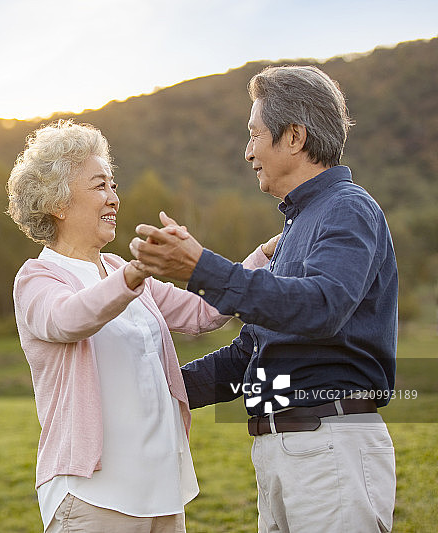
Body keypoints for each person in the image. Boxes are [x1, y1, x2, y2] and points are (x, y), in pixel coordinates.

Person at [129, 65, 398, 533]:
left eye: (254, 135)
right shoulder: (295, 228)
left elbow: (322, 307)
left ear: (293, 136)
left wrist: (201, 270)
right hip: (282, 451)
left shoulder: (348, 209)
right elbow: (252, 352)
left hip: (329, 445)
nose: (247, 151)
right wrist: (155, 391)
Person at [7, 119, 277, 532]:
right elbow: (70, 319)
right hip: (92, 497)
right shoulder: (39, 278)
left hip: (161, 491)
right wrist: (135, 274)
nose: (114, 198)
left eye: (114, 186)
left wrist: (264, 253)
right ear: (58, 203)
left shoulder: (119, 270)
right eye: (100, 186)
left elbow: (204, 313)